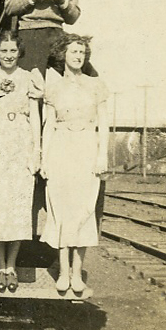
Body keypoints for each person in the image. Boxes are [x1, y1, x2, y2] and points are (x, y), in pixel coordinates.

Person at [40, 33, 109, 294]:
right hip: (61, 149)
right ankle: (62, 270)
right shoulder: (53, 86)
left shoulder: (96, 85)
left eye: (82, 52)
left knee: (83, 210)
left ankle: (77, 272)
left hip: (86, 150)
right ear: (63, 55)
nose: (78, 56)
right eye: (73, 52)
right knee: (61, 208)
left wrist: (102, 155)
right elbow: (48, 126)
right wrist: (44, 158)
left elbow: (103, 124)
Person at [0, 31, 43, 293]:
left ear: (19, 52)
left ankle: (11, 265)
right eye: (3, 51)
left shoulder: (29, 78)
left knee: (17, 205)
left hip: (21, 142)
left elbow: (35, 117)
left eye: (13, 51)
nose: (8, 55)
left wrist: (36, 151)